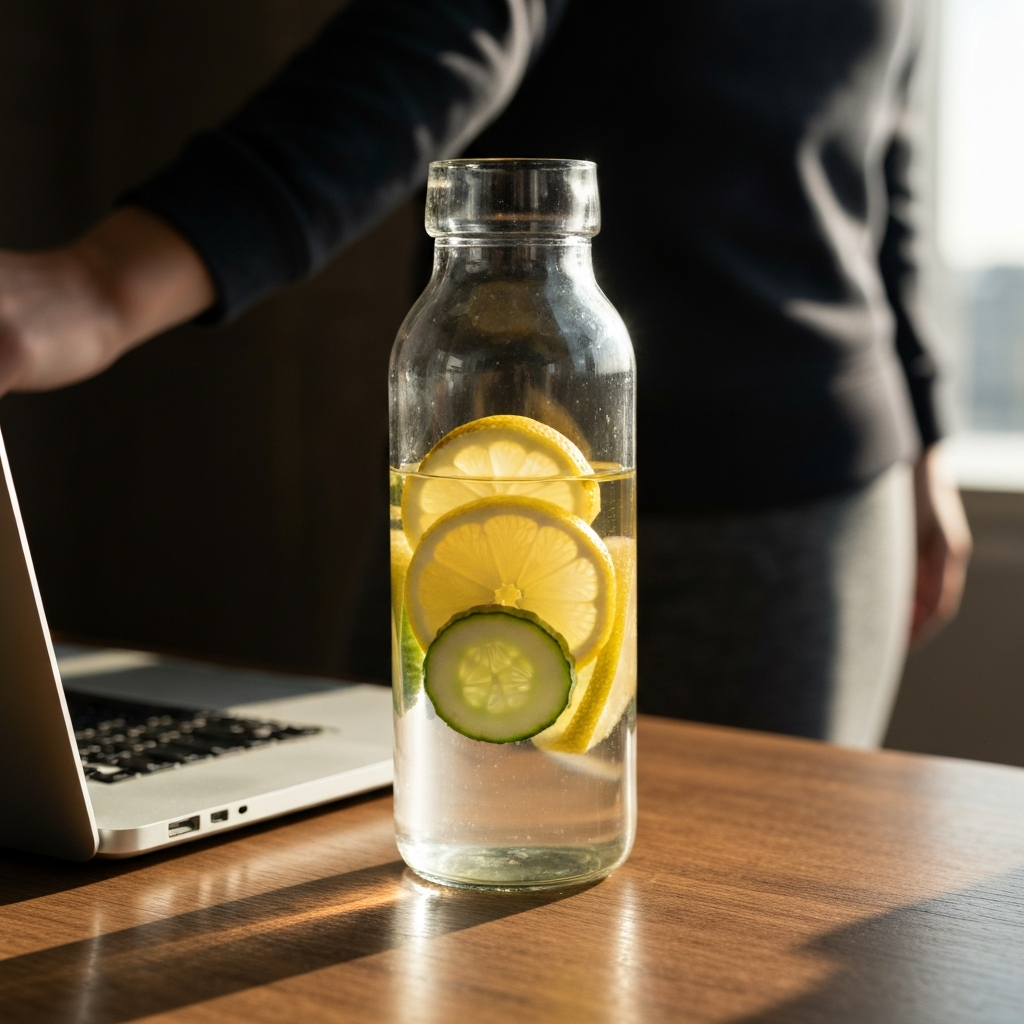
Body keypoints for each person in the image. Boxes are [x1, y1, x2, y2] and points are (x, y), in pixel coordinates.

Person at [0, 0, 970, 745]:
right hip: (491, 467)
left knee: (742, 928)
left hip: (806, 494)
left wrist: (926, 435)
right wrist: (105, 283)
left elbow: (886, 150)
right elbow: (432, 37)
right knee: (422, 853)